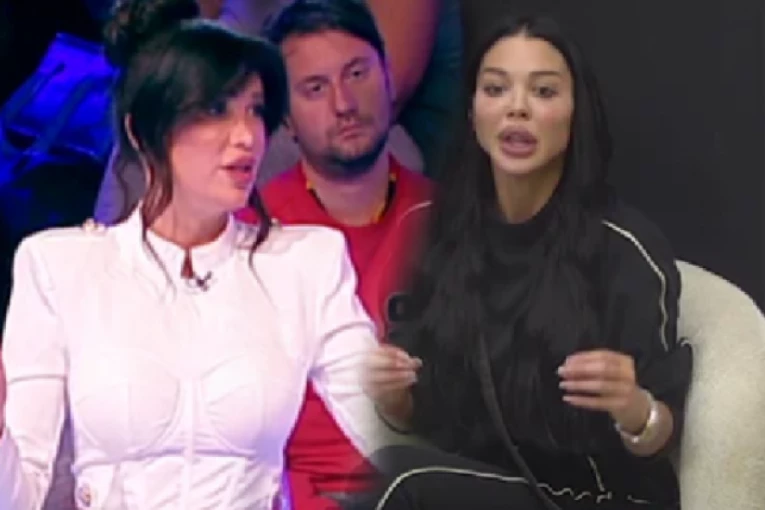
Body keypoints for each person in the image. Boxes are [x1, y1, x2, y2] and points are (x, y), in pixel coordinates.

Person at [0, 0, 383, 508]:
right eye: (216, 110)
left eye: (255, 110)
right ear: (143, 132)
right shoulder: (59, 267)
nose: (246, 136)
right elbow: (17, 495)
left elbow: (390, 435)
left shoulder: (306, 262)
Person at [363, 14, 693, 510]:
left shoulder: (625, 247)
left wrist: (635, 407)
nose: (517, 108)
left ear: (576, 113)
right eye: (496, 89)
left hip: (601, 495)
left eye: (543, 92)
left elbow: (663, 435)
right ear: (472, 112)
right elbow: (419, 413)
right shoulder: (434, 232)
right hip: (475, 484)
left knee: (391, 481)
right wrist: (390, 394)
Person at [235, 1, 432, 508]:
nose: (344, 104)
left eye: (357, 73)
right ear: (284, 117)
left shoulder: (454, 222)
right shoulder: (249, 240)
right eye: (315, 88)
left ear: (388, 78)